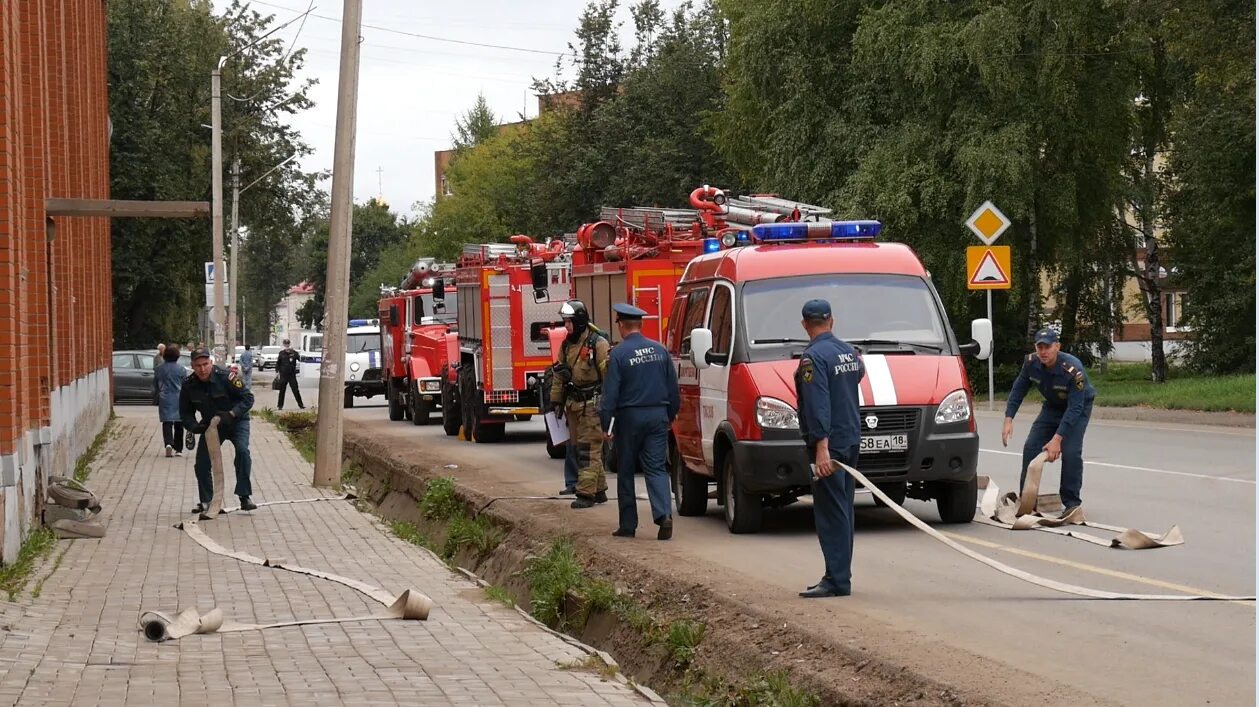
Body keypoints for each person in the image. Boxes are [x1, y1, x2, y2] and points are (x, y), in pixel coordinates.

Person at [795, 299, 864, 598]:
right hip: (850, 439)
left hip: (830, 445)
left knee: (831, 512)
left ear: (804, 325)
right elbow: (858, 375)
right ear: (831, 321)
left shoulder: (812, 358)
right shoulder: (848, 351)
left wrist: (821, 447)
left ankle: (836, 580)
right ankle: (839, 574)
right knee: (843, 509)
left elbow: (818, 402)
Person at [600, 303, 680, 540]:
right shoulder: (660, 351)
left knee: (625, 470)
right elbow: (673, 389)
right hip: (657, 417)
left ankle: (628, 525)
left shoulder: (619, 355)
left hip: (629, 419)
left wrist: (607, 425)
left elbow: (610, 395)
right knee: (656, 468)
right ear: (640, 325)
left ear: (621, 325)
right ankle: (664, 514)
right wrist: (670, 415)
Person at [1001, 328, 1096, 515]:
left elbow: (1075, 408)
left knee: (1071, 453)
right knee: (1031, 448)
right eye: (1040, 347)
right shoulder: (1031, 363)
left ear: (1057, 347)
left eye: (1048, 347)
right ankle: (1027, 501)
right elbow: (1018, 389)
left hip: (1077, 408)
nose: (1043, 352)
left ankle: (1071, 504)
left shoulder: (1072, 369)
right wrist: (1008, 418)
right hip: (1052, 407)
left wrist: (1057, 440)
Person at [549, 300, 610, 509]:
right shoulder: (567, 345)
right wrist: (556, 401)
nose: (566, 327)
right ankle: (599, 490)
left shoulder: (597, 344)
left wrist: (609, 407)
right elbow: (558, 373)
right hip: (573, 405)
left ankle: (586, 493)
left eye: (569, 322)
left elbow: (608, 378)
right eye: (565, 322)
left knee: (588, 449)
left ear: (580, 321)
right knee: (581, 447)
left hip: (592, 406)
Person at [180, 348, 256, 513]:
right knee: (202, 463)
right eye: (198, 365)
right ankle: (208, 500)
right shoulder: (189, 385)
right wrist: (194, 426)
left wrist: (232, 413)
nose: (202, 369)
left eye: (205, 364)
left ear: (211, 363)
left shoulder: (226, 376)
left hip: (236, 421)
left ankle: (244, 496)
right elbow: (185, 413)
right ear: (192, 366)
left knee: (243, 452)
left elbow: (248, 398)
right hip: (212, 425)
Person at [155, 345, 186, 457]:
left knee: (167, 422)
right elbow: (185, 385)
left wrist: (156, 396)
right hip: (179, 398)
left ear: (165, 356)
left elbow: (155, 384)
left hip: (165, 398)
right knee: (179, 423)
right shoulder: (181, 369)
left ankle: (168, 443)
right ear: (177, 356)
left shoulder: (159, 368)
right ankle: (178, 449)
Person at [275, 339, 304, 410]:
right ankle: (280, 406)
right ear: (284, 344)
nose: (287, 345)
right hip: (283, 374)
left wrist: (294, 352)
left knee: (295, 390)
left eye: (288, 343)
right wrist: (277, 372)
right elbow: (278, 363)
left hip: (291, 375)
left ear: (289, 344)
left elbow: (300, 359)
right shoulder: (281, 353)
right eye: (285, 344)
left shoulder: (294, 353)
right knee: (282, 391)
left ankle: (301, 405)